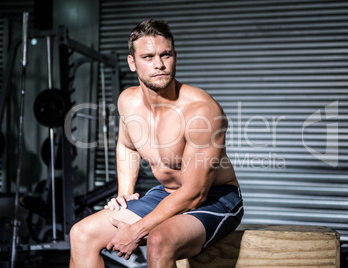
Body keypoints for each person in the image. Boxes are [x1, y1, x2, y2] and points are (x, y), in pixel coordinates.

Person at [69, 19, 243, 268]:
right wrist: (125, 194)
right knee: (81, 234)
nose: (159, 64)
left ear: (175, 57)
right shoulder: (127, 102)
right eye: (148, 57)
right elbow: (127, 146)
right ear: (133, 63)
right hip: (165, 194)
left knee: (159, 241)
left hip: (216, 198)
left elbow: (195, 193)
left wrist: (137, 229)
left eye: (166, 55)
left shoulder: (201, 111)